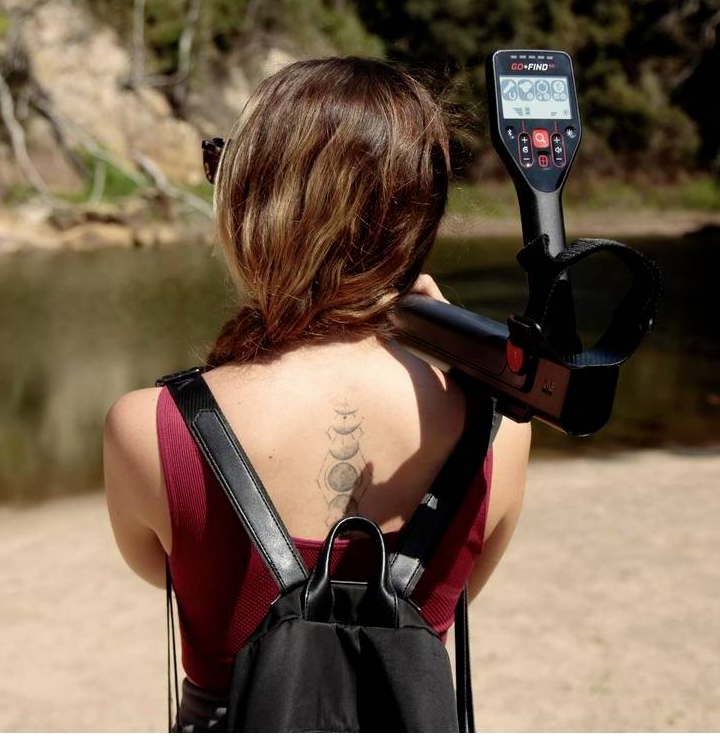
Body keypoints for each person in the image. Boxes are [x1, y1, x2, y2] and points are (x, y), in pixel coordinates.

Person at [103, 57, 531, 731]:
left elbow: (169, 574)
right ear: (418, 216)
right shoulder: (498, 428)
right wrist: (455, 351)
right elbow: (455, 586)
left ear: (256, 207)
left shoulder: (150, 424)